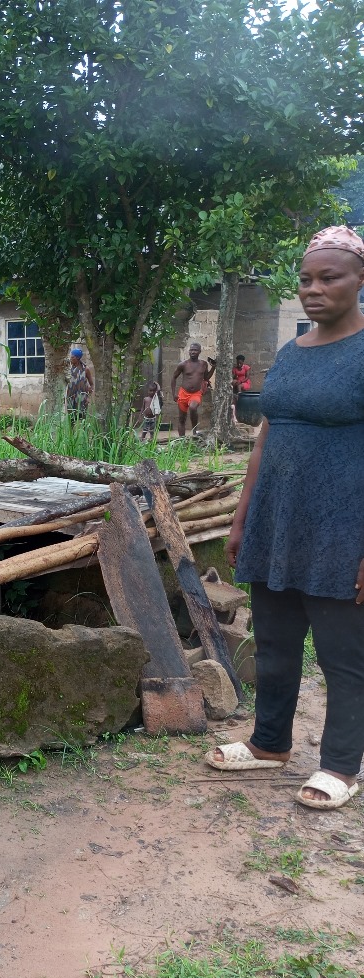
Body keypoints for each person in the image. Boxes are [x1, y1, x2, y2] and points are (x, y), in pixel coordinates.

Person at [205, 225, 364, 811]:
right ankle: (269, 743)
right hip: (279, 521)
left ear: (360, 279)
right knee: (274, 642)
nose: (313, 289)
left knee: (343, 652)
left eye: (330, 277)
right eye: (305, 279)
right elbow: (266, 436)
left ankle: (342, 766)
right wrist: (244, 518)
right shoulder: (292, 353)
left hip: (343, 528)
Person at [171, 343, 215, 437]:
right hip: (183, 393)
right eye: (191, 350)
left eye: (195, 350)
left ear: (199, 351)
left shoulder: (203, 364)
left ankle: (195, 431)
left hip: (196, 393)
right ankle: (181, 440)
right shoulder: (183, 364)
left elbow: (206, 377)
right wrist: (173, 393)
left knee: (193, 407)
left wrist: (214, 367)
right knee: (182, 418)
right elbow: (174, 377)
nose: (193, 352)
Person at [66, 346, 94, 422]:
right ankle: (71, 434)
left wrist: (88, 398)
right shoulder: (68, 369)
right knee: (71, 420)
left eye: (72, 357)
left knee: (83, 420)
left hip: (82, 399)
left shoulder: (85, 369)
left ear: (77, 358)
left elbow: (91, 384)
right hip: (71, 398)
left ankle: (83, 433)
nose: (71, 359)